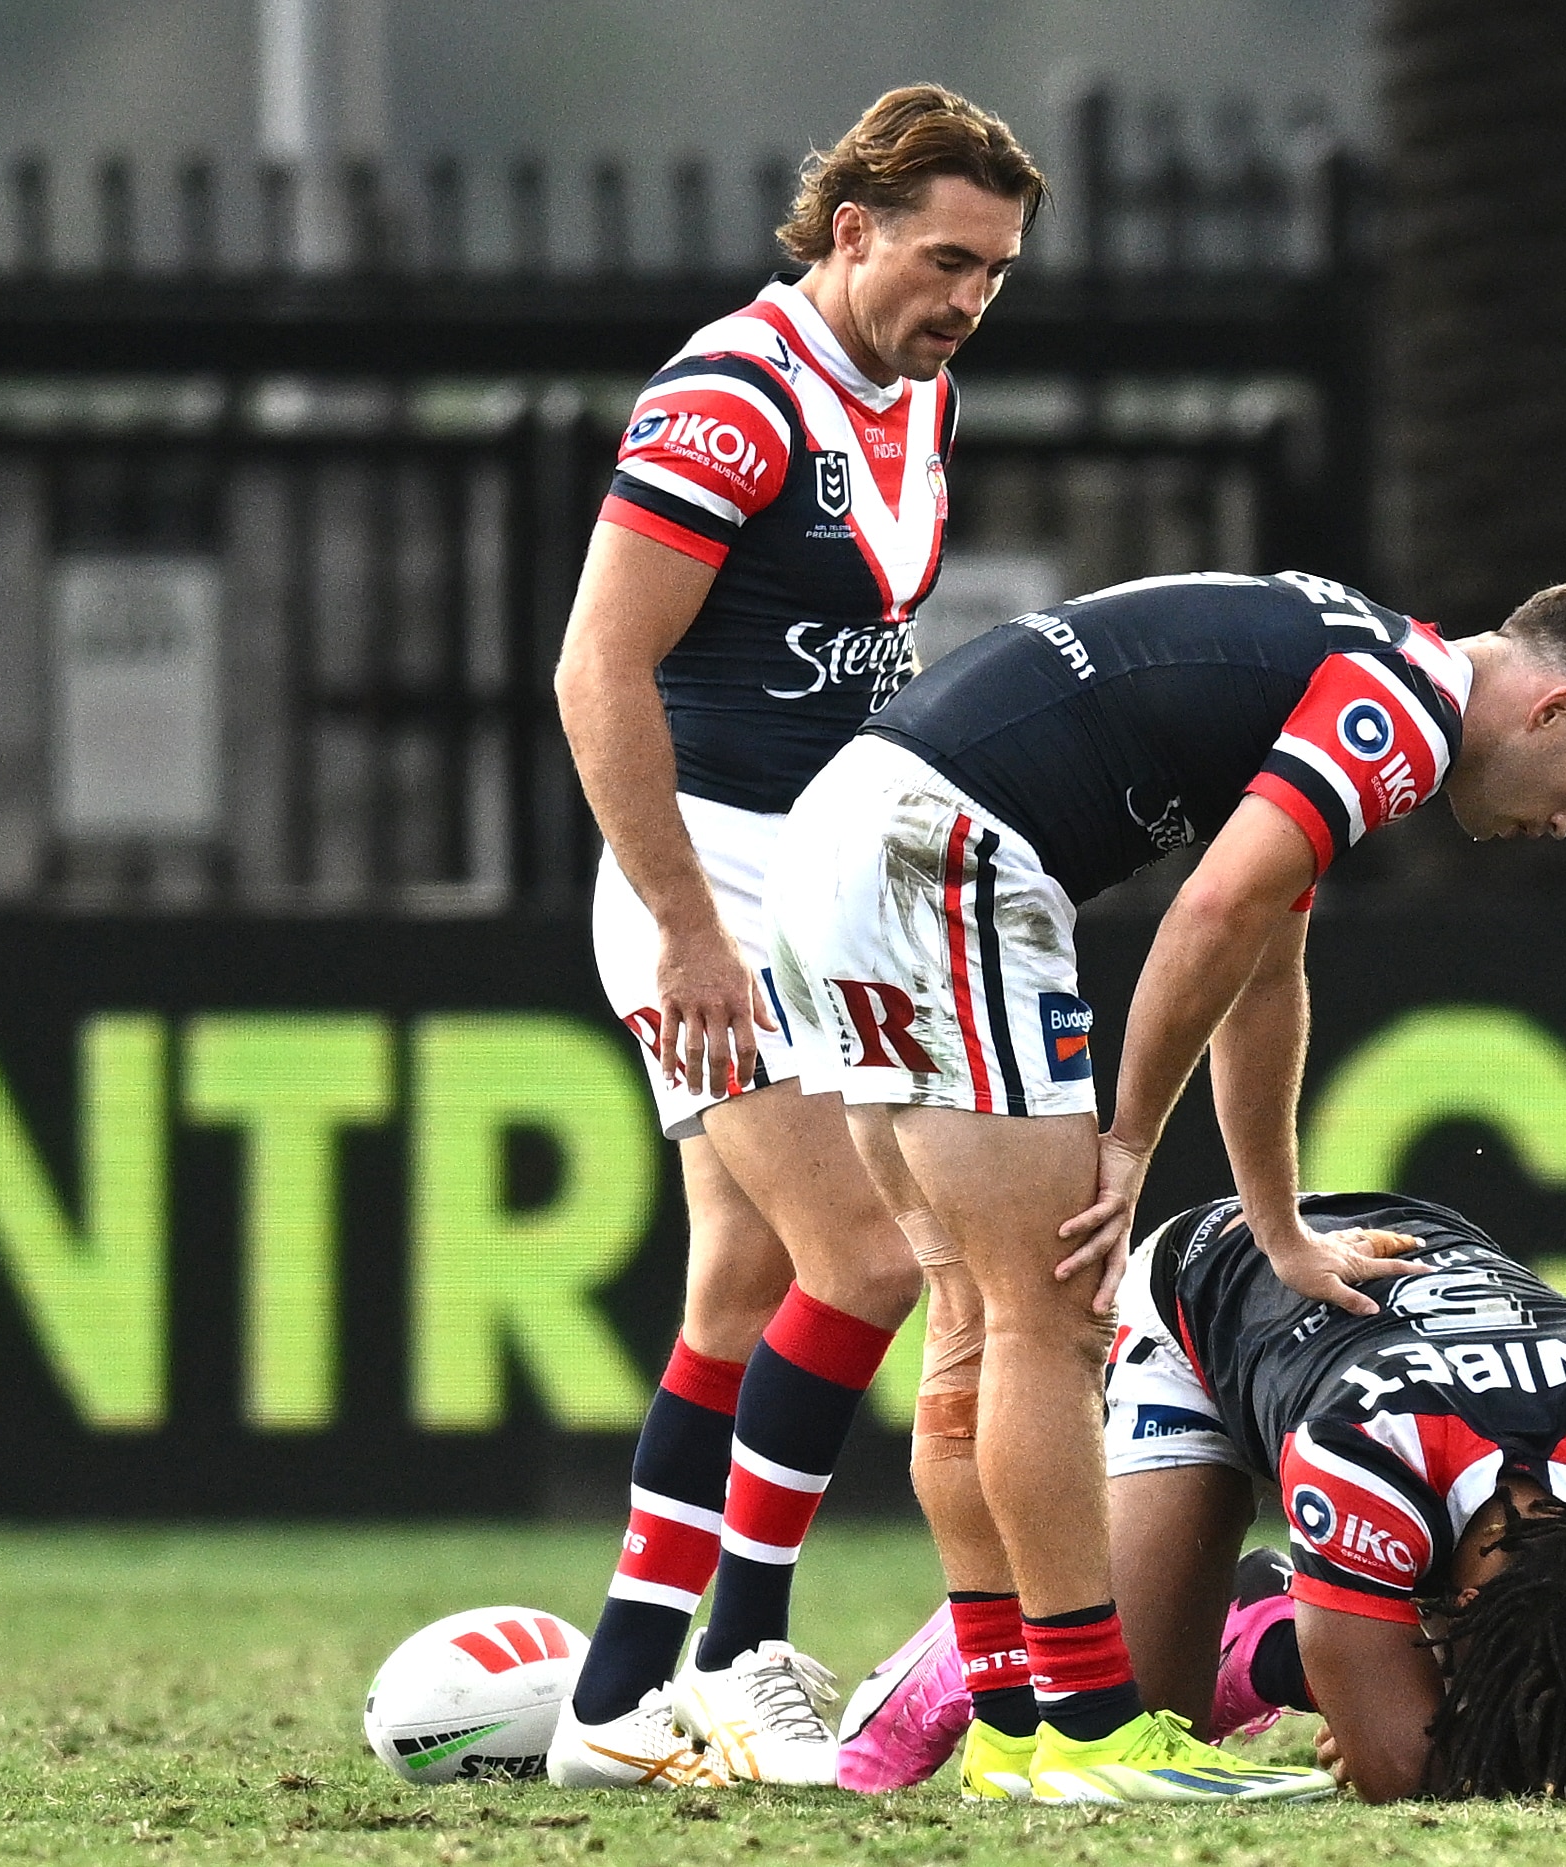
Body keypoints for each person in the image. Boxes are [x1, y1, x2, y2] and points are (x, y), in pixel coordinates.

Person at [766, 570, 1566, 1802]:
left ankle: (1007, 1724)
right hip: (941, 852)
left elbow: (1263, 969)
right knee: (1049, 1316)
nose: (1565, 824)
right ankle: (1091, 1734)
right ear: (1550, 708)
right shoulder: (1408, 702)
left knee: (974, 1315)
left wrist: (1280, 1227)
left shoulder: (1350, 661)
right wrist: (1128, 1142)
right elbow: (1207, 912)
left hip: (837, 839)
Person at [545, 84, 1043, 1790]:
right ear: (853, 230)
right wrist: (685, 931)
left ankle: (615, 1700)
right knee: (870, 1258)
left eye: (995, 271)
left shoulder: (920, 396)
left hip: (823, 885)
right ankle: (751, 1650)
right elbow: (597, 671)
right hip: (706, 887)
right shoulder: (731, 397)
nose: (968, 298)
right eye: (947, 259)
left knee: (746, 1280)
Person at [838, 1191, 1566, 1804]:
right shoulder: (1366, 1456)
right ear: (1455, 1612)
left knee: (1377, 1686)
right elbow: (1394, 1769)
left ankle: (1295, 1620)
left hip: (1417, 1270)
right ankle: (979, 1647)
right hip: (1209, 1290)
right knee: (1134, 1709)